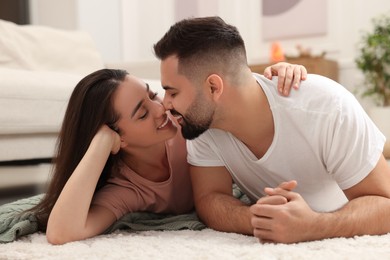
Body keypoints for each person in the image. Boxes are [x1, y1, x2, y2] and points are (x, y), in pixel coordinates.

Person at [153, 16, 390, 244]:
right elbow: (209, 198)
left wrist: (315, 226)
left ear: (214, 87)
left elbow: (385, 203)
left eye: (172, 92)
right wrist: (258, 218)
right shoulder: (201, 123)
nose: (165, 104)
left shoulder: (327, 107)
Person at [29, 64, 303, 245]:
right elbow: (62, 233)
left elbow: (233, 94)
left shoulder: (189, 128)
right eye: (143, 113)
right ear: (119, 137)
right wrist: (101, 143)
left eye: (152, 95)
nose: (162, 109)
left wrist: (276, 76)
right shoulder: (127, 189)